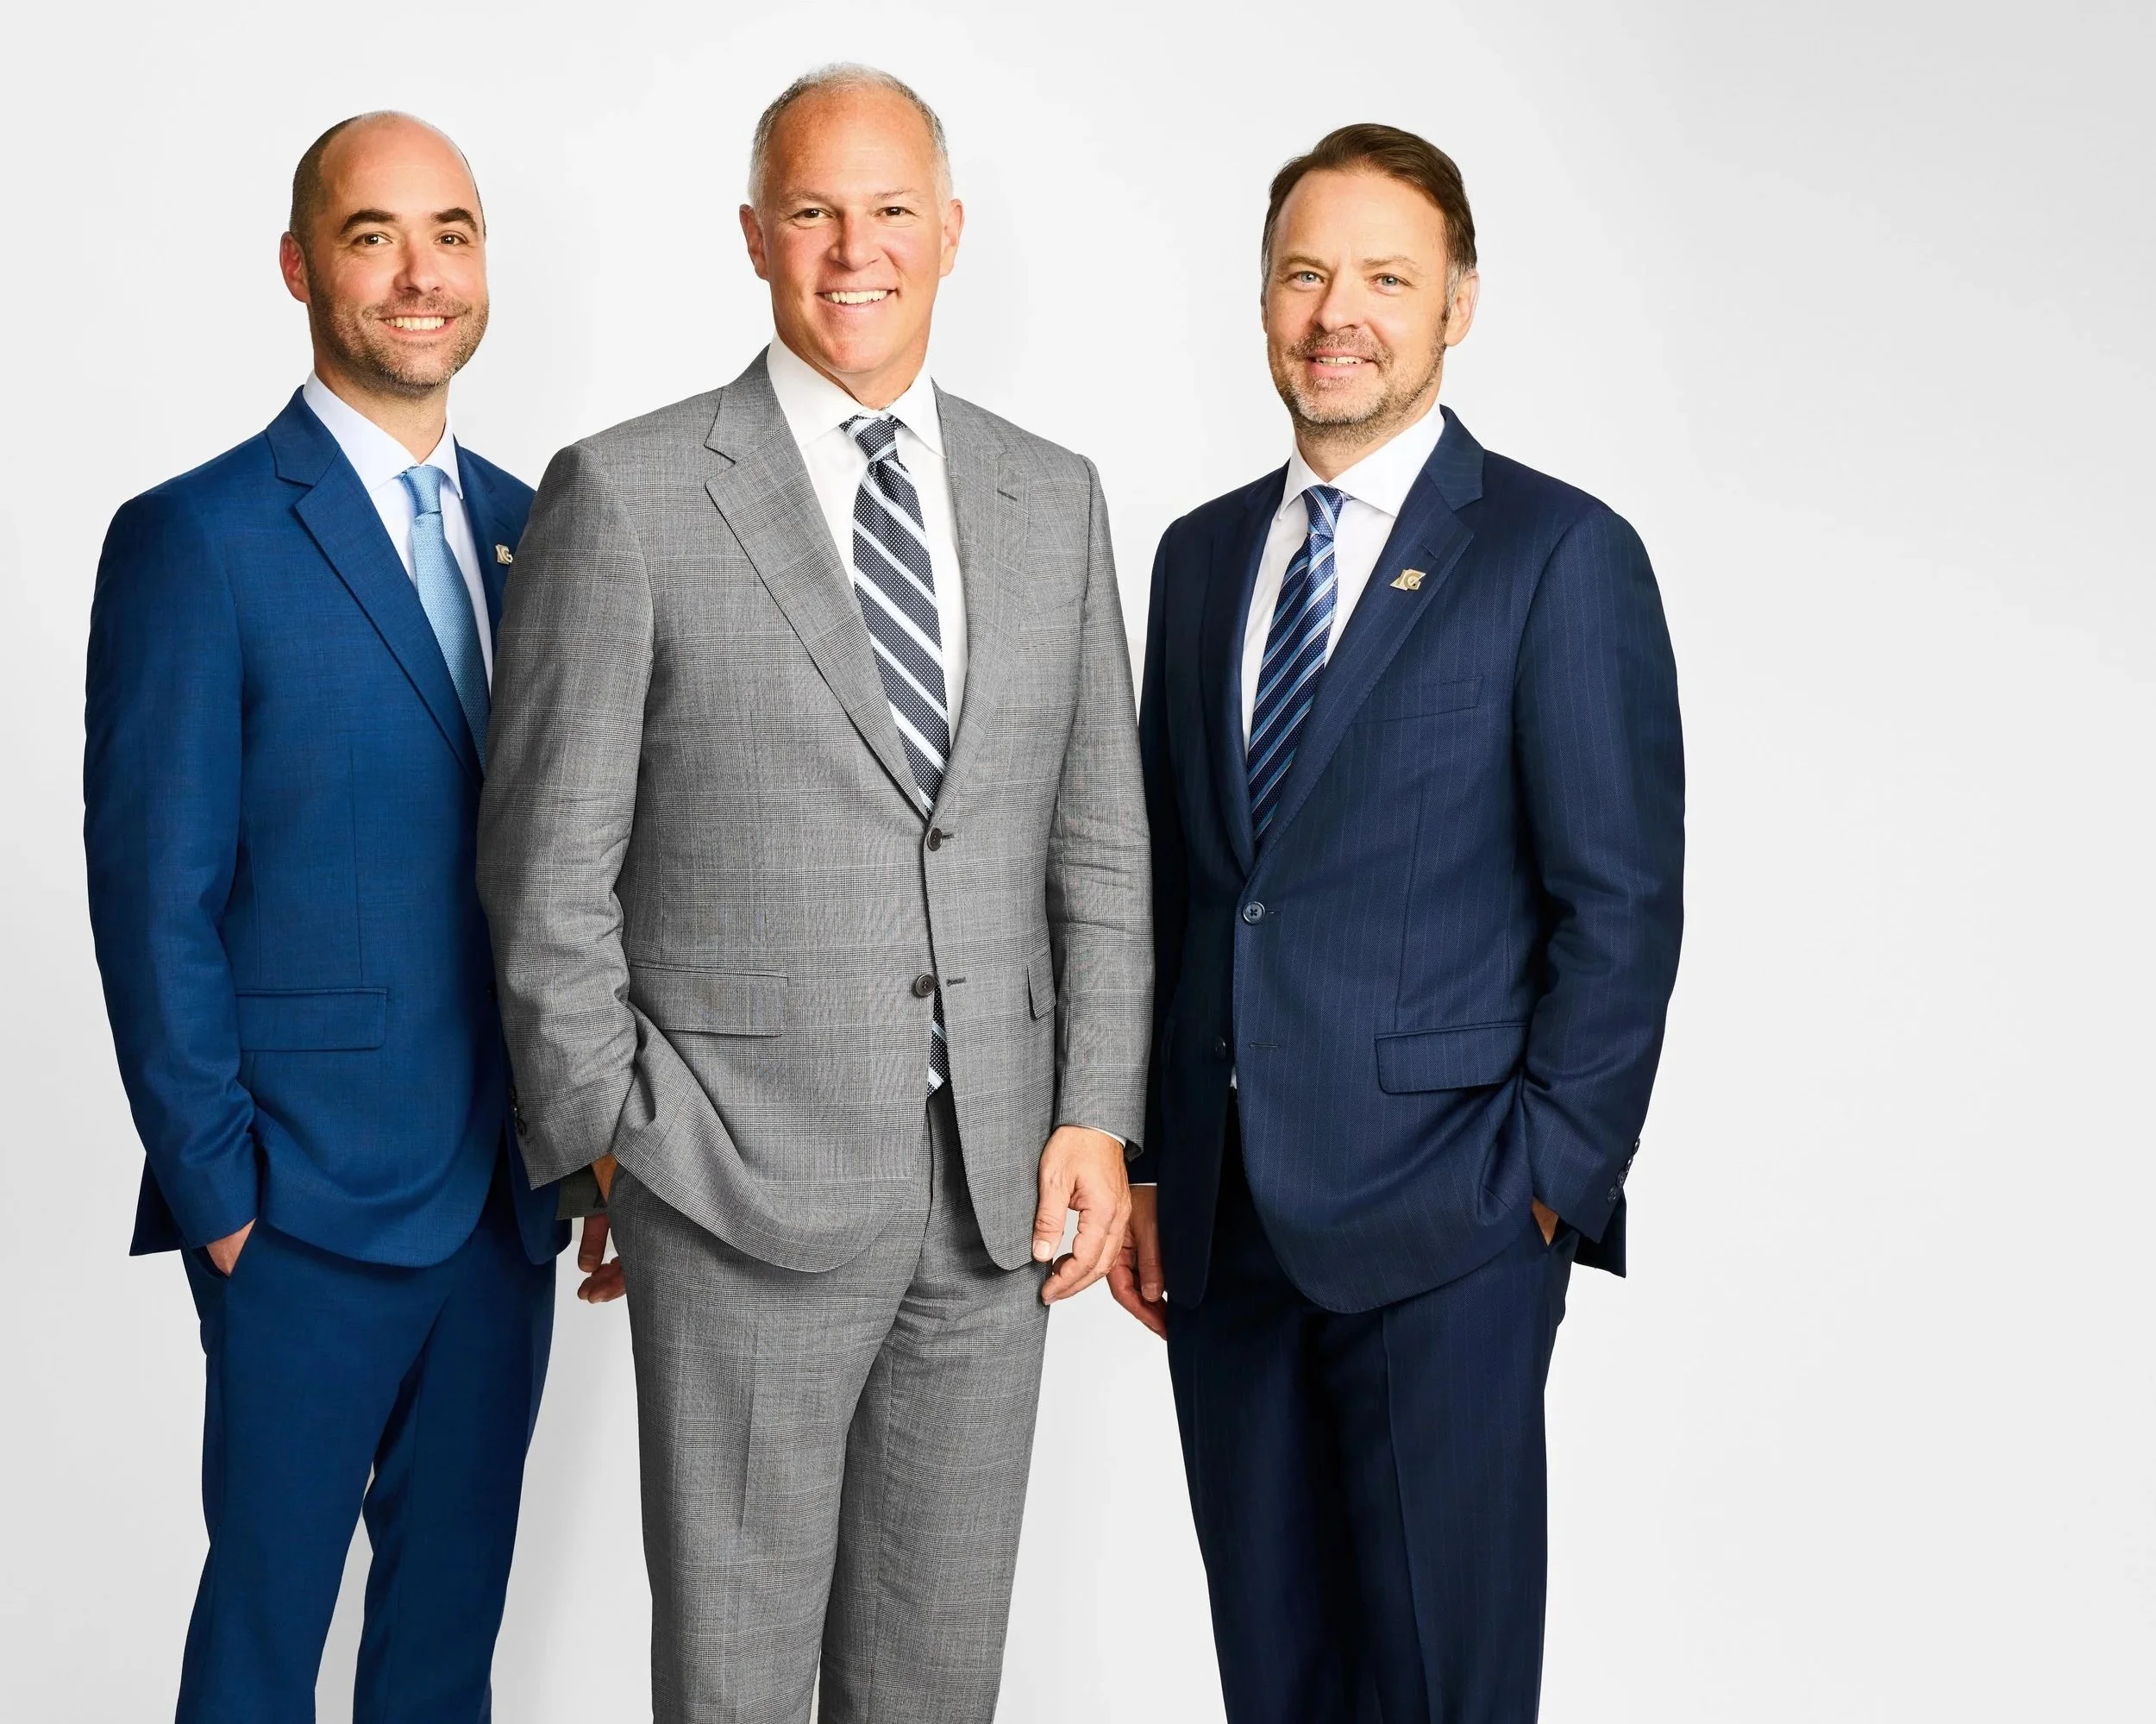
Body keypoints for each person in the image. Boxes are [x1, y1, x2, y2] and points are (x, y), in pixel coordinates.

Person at [476, 65, 1151, 1723]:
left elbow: (1102, 843)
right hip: (733, 1183)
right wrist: (619, 1137)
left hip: (997, 1193)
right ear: (755, 236)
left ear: (951, 231)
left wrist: (1098, 1113)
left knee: (936, 1681)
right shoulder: (627, 494)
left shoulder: (1050, 496)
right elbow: (543, 863)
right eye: (814, 210)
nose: (857, 249)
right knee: (735, 1677)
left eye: (892, 209)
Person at [1116, 123, 1685, 1721]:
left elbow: (1621, 904)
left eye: (1385, 277)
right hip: (1228, 1238)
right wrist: (1160, 1162)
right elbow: (1180, 879)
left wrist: (1547, 1187)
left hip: (1454, 1227)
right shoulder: (1202, 555)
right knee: (1275, 1685)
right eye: (1306, 274)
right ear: (1263, 301)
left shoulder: (1558, 554)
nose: (1337, 313)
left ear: (1460, 305)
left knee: (1440, 1685)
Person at [83, 112, 564, 1723]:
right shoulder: (197, 537)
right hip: (298, 1202)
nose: (421, 274)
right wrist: (223, 1195)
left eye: (453, 232)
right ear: (301, 267)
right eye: (374, 236)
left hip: (503, 1202)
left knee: (444, 1654)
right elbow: (155, 896)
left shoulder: (542, 527)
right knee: (261, 1645)